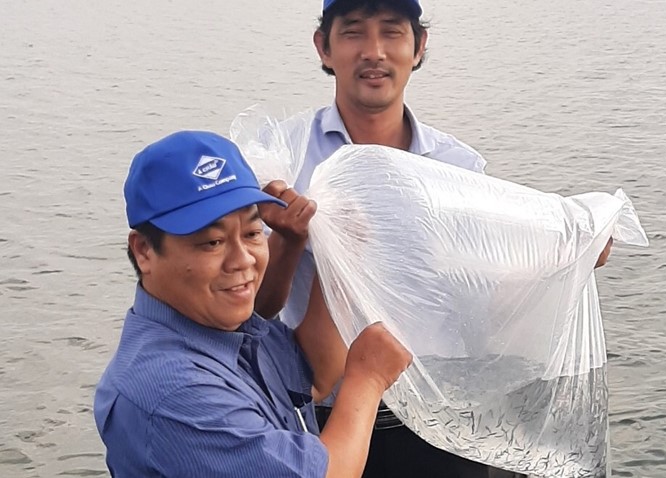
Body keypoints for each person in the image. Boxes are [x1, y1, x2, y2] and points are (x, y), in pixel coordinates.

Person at [256, 0, 614, 476]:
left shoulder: (458, 170)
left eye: (392, 32)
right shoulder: (283, 161)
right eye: (353, 33)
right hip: (316, 417)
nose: (374, 52)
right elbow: (250, 307)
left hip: (436, 419)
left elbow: (485, 303)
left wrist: (565, 262)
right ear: (324, 47)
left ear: (419, 46)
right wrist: (290, 241)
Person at [94, 130, 412, 477]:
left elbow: (314, 376)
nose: (242, 260)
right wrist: (367, 379)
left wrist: (340, 248)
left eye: (252, 233)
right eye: (213, 242)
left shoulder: (218, 327)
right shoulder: (173, 390)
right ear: (144, 251)